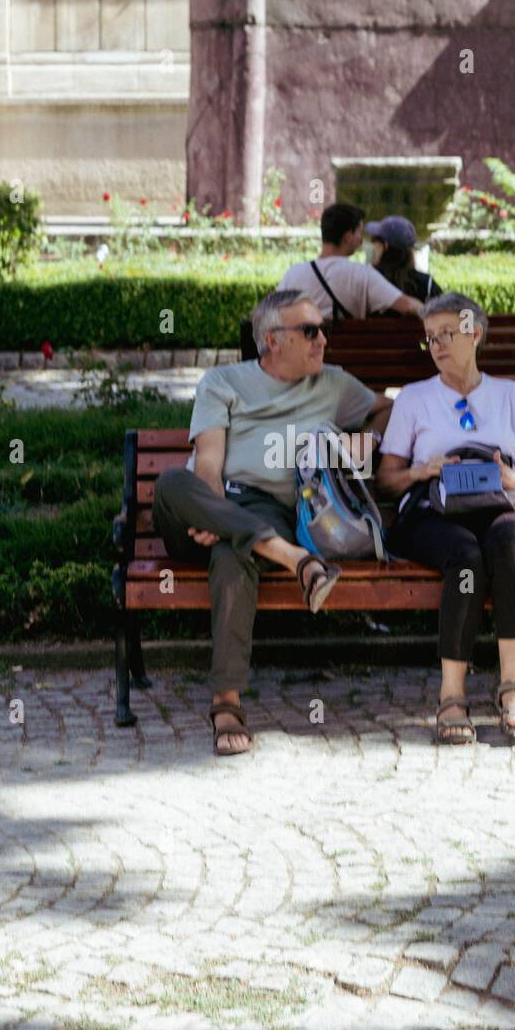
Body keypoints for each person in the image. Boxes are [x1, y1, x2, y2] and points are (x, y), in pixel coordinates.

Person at [153, 289, 392, 757]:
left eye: (322, 328)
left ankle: (226, 704)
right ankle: (297, 561)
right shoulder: (223, 381)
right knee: (168, 484)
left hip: (273, 514)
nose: (322, 338)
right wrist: (214, 511)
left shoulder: (334, 384)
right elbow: (207, 466)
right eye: (309, 331)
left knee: (231, 554)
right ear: (271, 341)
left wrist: (366, 443)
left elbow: (387, 408)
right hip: (214, 501)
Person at [377, 292, 515, 745]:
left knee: (509, 542)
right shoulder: (413, 399)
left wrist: (513, 478)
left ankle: (512, 687)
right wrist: (424, 470)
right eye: (430, 338)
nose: (436, 345)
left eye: (446, 334)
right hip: (434, 513)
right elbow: (388, 480)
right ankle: (451, 695)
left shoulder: (510, 395)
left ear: (475, 334)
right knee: (465, 555)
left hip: (502, 506)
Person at [278, 203, 422, 320]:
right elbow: (409, 306)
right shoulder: (364, 274)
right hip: (350, 354)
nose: (361, 238)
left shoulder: (293, 273)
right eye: (359, 232)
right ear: (348, 237)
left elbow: (274, 311)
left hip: (305, 353)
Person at [365, 215, 443, 307]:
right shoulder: (427, 284)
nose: (373, 245)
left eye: (374, 241)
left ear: (385, 246)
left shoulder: (367, 279)